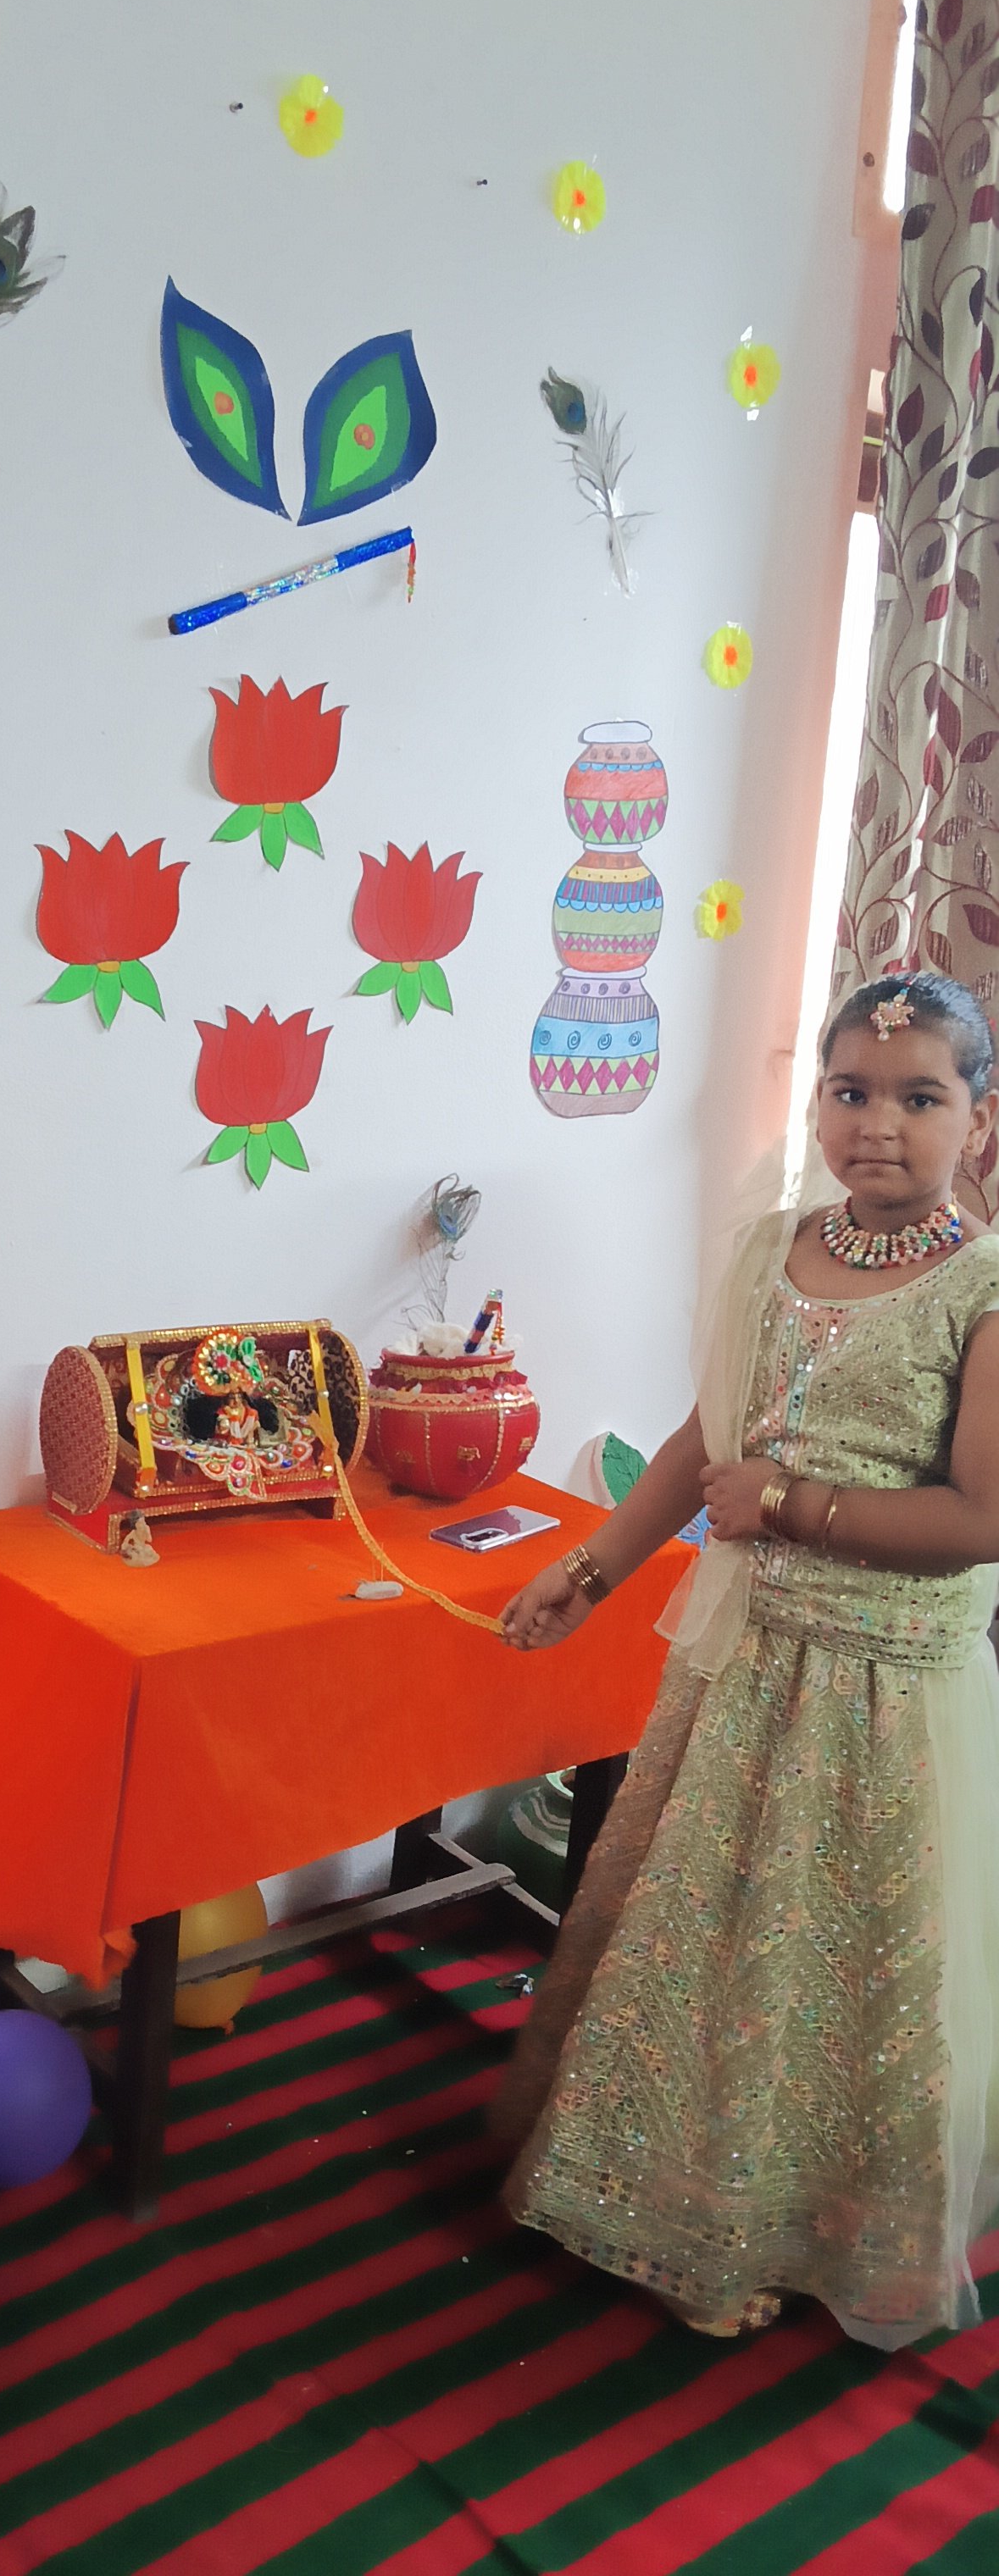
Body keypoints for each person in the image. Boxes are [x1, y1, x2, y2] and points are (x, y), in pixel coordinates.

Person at [496, 972, 999, 2346]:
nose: (878, 1123)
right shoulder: (772, 1249)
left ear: (979, 1121)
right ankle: (665, 2202)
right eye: (849, 1092)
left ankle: (809, 2231)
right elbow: (702, 1441)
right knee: (708, 1947)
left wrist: (785, 1503)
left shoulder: (984, 1288)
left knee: (835, 1975)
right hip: (750, 1666)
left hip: (887, 1692)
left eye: (919, 1096)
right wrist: (588, 1573)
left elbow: (981, 1520)